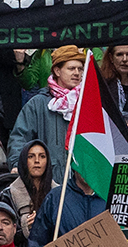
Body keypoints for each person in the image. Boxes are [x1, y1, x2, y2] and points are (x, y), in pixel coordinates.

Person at [8, 45, 88, 175]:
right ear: (57, 71)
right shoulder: (38, 104)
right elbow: (19, 138)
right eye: (71, 68)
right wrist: (18, 165)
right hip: (45, 181)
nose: (77, 73)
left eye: (80, 69)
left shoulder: (87, 103)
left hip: (79, 182)